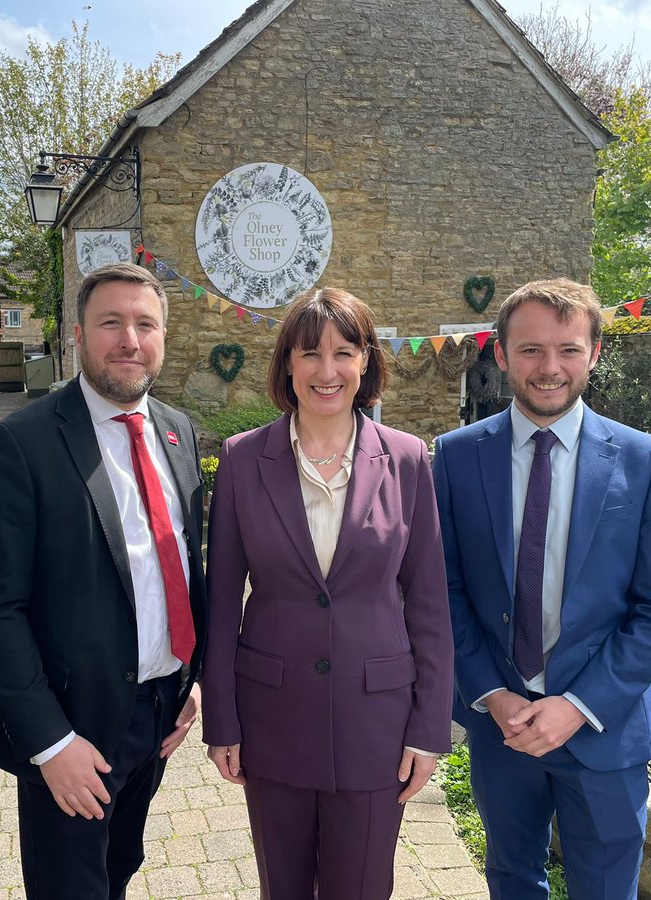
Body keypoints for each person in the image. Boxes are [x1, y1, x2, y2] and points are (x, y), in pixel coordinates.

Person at [433, 278, 651, 899]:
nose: (550, 369)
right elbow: (444, 589)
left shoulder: (644, 459)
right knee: (512, 880)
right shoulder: (456, 456)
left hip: (604, 728)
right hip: (504, 726)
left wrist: (577, 707)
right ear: (499, 353)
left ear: (595, 353)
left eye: (568, 349)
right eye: (530, 350)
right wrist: (490, 694)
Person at [203, 287, 454, 899]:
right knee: (281, 889)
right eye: (309, 352)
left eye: (344, 352)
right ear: (287, 362)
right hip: (272, 719)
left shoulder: (408, 459)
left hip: (378, 724)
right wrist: (222, 720)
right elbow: (220, 601)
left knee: (363, 888)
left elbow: (428, 604)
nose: (326, 370)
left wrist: (429, 729)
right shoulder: (241, 460)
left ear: (367, 361)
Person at [0, 261, 205, 900]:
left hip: (158, 711)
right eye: (111, 322)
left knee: (118, 872)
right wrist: (49, 743)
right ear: (79, 334)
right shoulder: (20, 443)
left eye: (145, 324)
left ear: (162, 337)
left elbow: (187, 566)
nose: (129, 339)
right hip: (71, 729)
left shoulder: (179, 433)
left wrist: (190, 683)